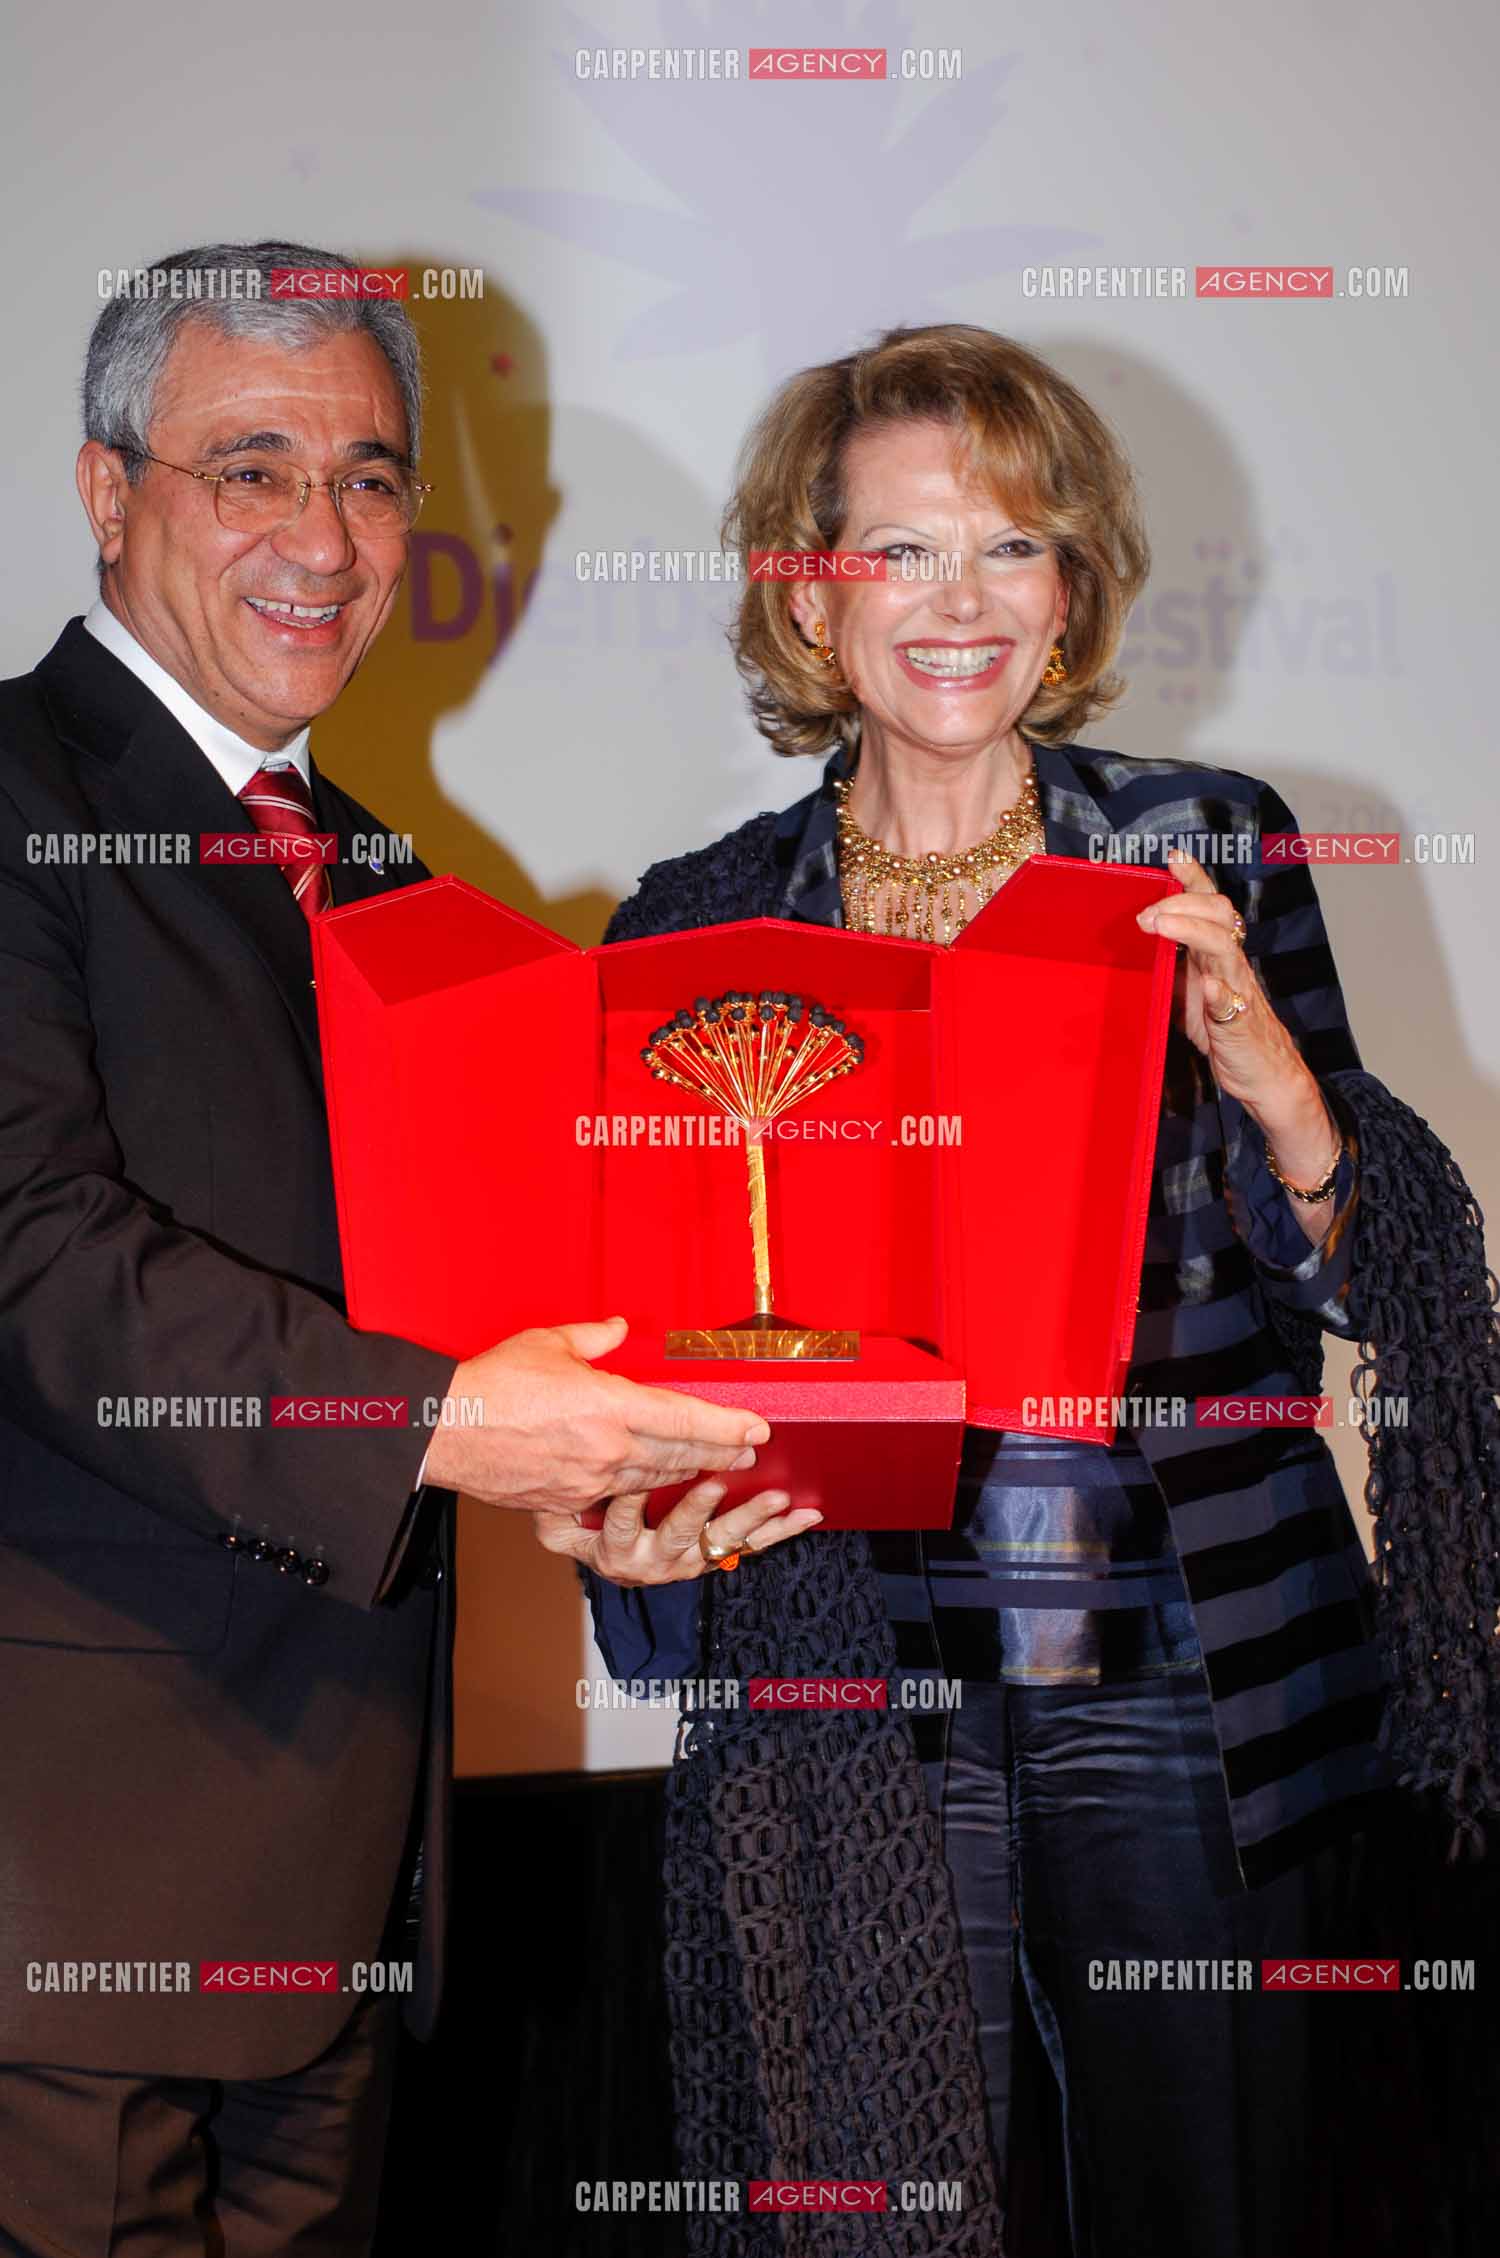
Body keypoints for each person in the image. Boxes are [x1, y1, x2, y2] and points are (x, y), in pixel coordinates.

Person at [579, 323, 1500, 2257]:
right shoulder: (693, 924)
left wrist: (1275, 1083)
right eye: (900, 549)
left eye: (1012, 545)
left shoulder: (1199, 848)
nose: (958, 601)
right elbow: (646, 1334)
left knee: (1207, 2211)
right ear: (811, 593)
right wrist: (632, 1520)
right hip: (848, 1681)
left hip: (1184, 1675)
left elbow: (1361, 1280)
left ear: (1070, 584)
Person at [0, 239, 807, 2258]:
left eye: (367, 477)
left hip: (350, 1867)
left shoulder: (389, 882)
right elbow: (40, 1254)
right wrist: (458, 1423)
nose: (322, 535)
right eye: (247, 467)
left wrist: (611, 1483)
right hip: (70, 1875)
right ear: (109, 495)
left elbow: (484, 1313)